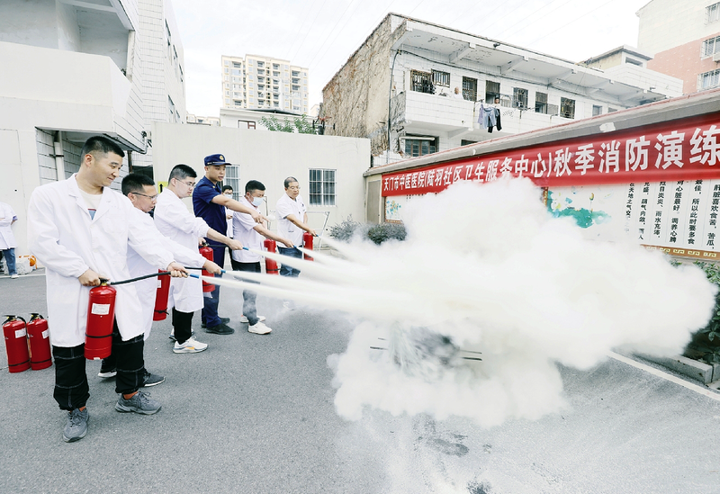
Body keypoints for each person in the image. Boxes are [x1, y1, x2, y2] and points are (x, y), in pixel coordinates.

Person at [27, 136, 189, 443]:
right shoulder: (49, 195)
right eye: (112, 165)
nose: (117, 172)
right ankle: (76, 409)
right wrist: (80, 270)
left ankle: (129, 395)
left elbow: (143, 235)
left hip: (117, 285)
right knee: (70, 351)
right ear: (89, 159)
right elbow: (42, 243)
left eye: (119, 166)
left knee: (130, 340)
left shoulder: (117, 202)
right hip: (72, 288)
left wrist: (167, 261)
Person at [97, 174, 224, 385]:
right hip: (134, 283)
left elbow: (161, 242)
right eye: (151, 197)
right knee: (134, 331)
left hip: (129, 281)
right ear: (132, 197)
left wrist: (200, 261)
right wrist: (182, 263)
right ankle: (136, 374)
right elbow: (156, 246)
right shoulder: (133, 219)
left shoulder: (137, 216)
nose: (155, 201)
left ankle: (110, 365)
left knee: (121, 327)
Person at [154, 164, 244, 346]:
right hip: (182, 258)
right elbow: (196, 225)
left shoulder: (172, 201)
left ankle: (179, 332)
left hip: (183, 255)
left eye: (193, 184)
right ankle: (184, 341)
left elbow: (183, 227)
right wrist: (227, 241)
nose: (191, 189)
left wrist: (195, 237)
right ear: (174, 181)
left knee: (182, 297)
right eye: (188, 183)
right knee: (185, 297)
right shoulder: (169, 203)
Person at [192, 154, 262, 334]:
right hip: (210, 241)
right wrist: (250, 211)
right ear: (206, 168)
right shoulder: (203, 187)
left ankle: (208, 317)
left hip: (217, 240)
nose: (222, 171)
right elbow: (226, 201)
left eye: (224, 168)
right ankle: (212, 322)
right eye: (217, 168)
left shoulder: (215, 186)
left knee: (213, 280)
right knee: (212, 281)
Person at [231, 180, 294, 335]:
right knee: (251, 287)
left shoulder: (253, 206)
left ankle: (247, 313)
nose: (261, 198)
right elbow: (262, 232)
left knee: (252, 286)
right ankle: (253, 323)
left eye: (262, 196)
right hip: (245, 255)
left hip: (252, 253)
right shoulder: (243, 209)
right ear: (248, 194)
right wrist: (282, 240)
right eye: (259, 195)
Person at [275, 176, 316, 278]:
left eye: (297, 187)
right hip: (287, 244)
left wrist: (305, 225)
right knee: (287, 270)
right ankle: (285, 293)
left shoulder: (299, 198)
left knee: (296, 269)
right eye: (292, 187)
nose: (296, 190)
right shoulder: (282, 203)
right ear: (286, 189)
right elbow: (293, 219)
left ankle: (293, 291)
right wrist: (308, 229)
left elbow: (304, 214)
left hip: (298, 242)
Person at [0, 200, 19, 278]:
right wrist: (1, 220)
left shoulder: (5, 206)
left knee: (10, 254)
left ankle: (13, 272)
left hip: (5, 233)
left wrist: (4, 221)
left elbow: (9, 220)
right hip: (4, 230)